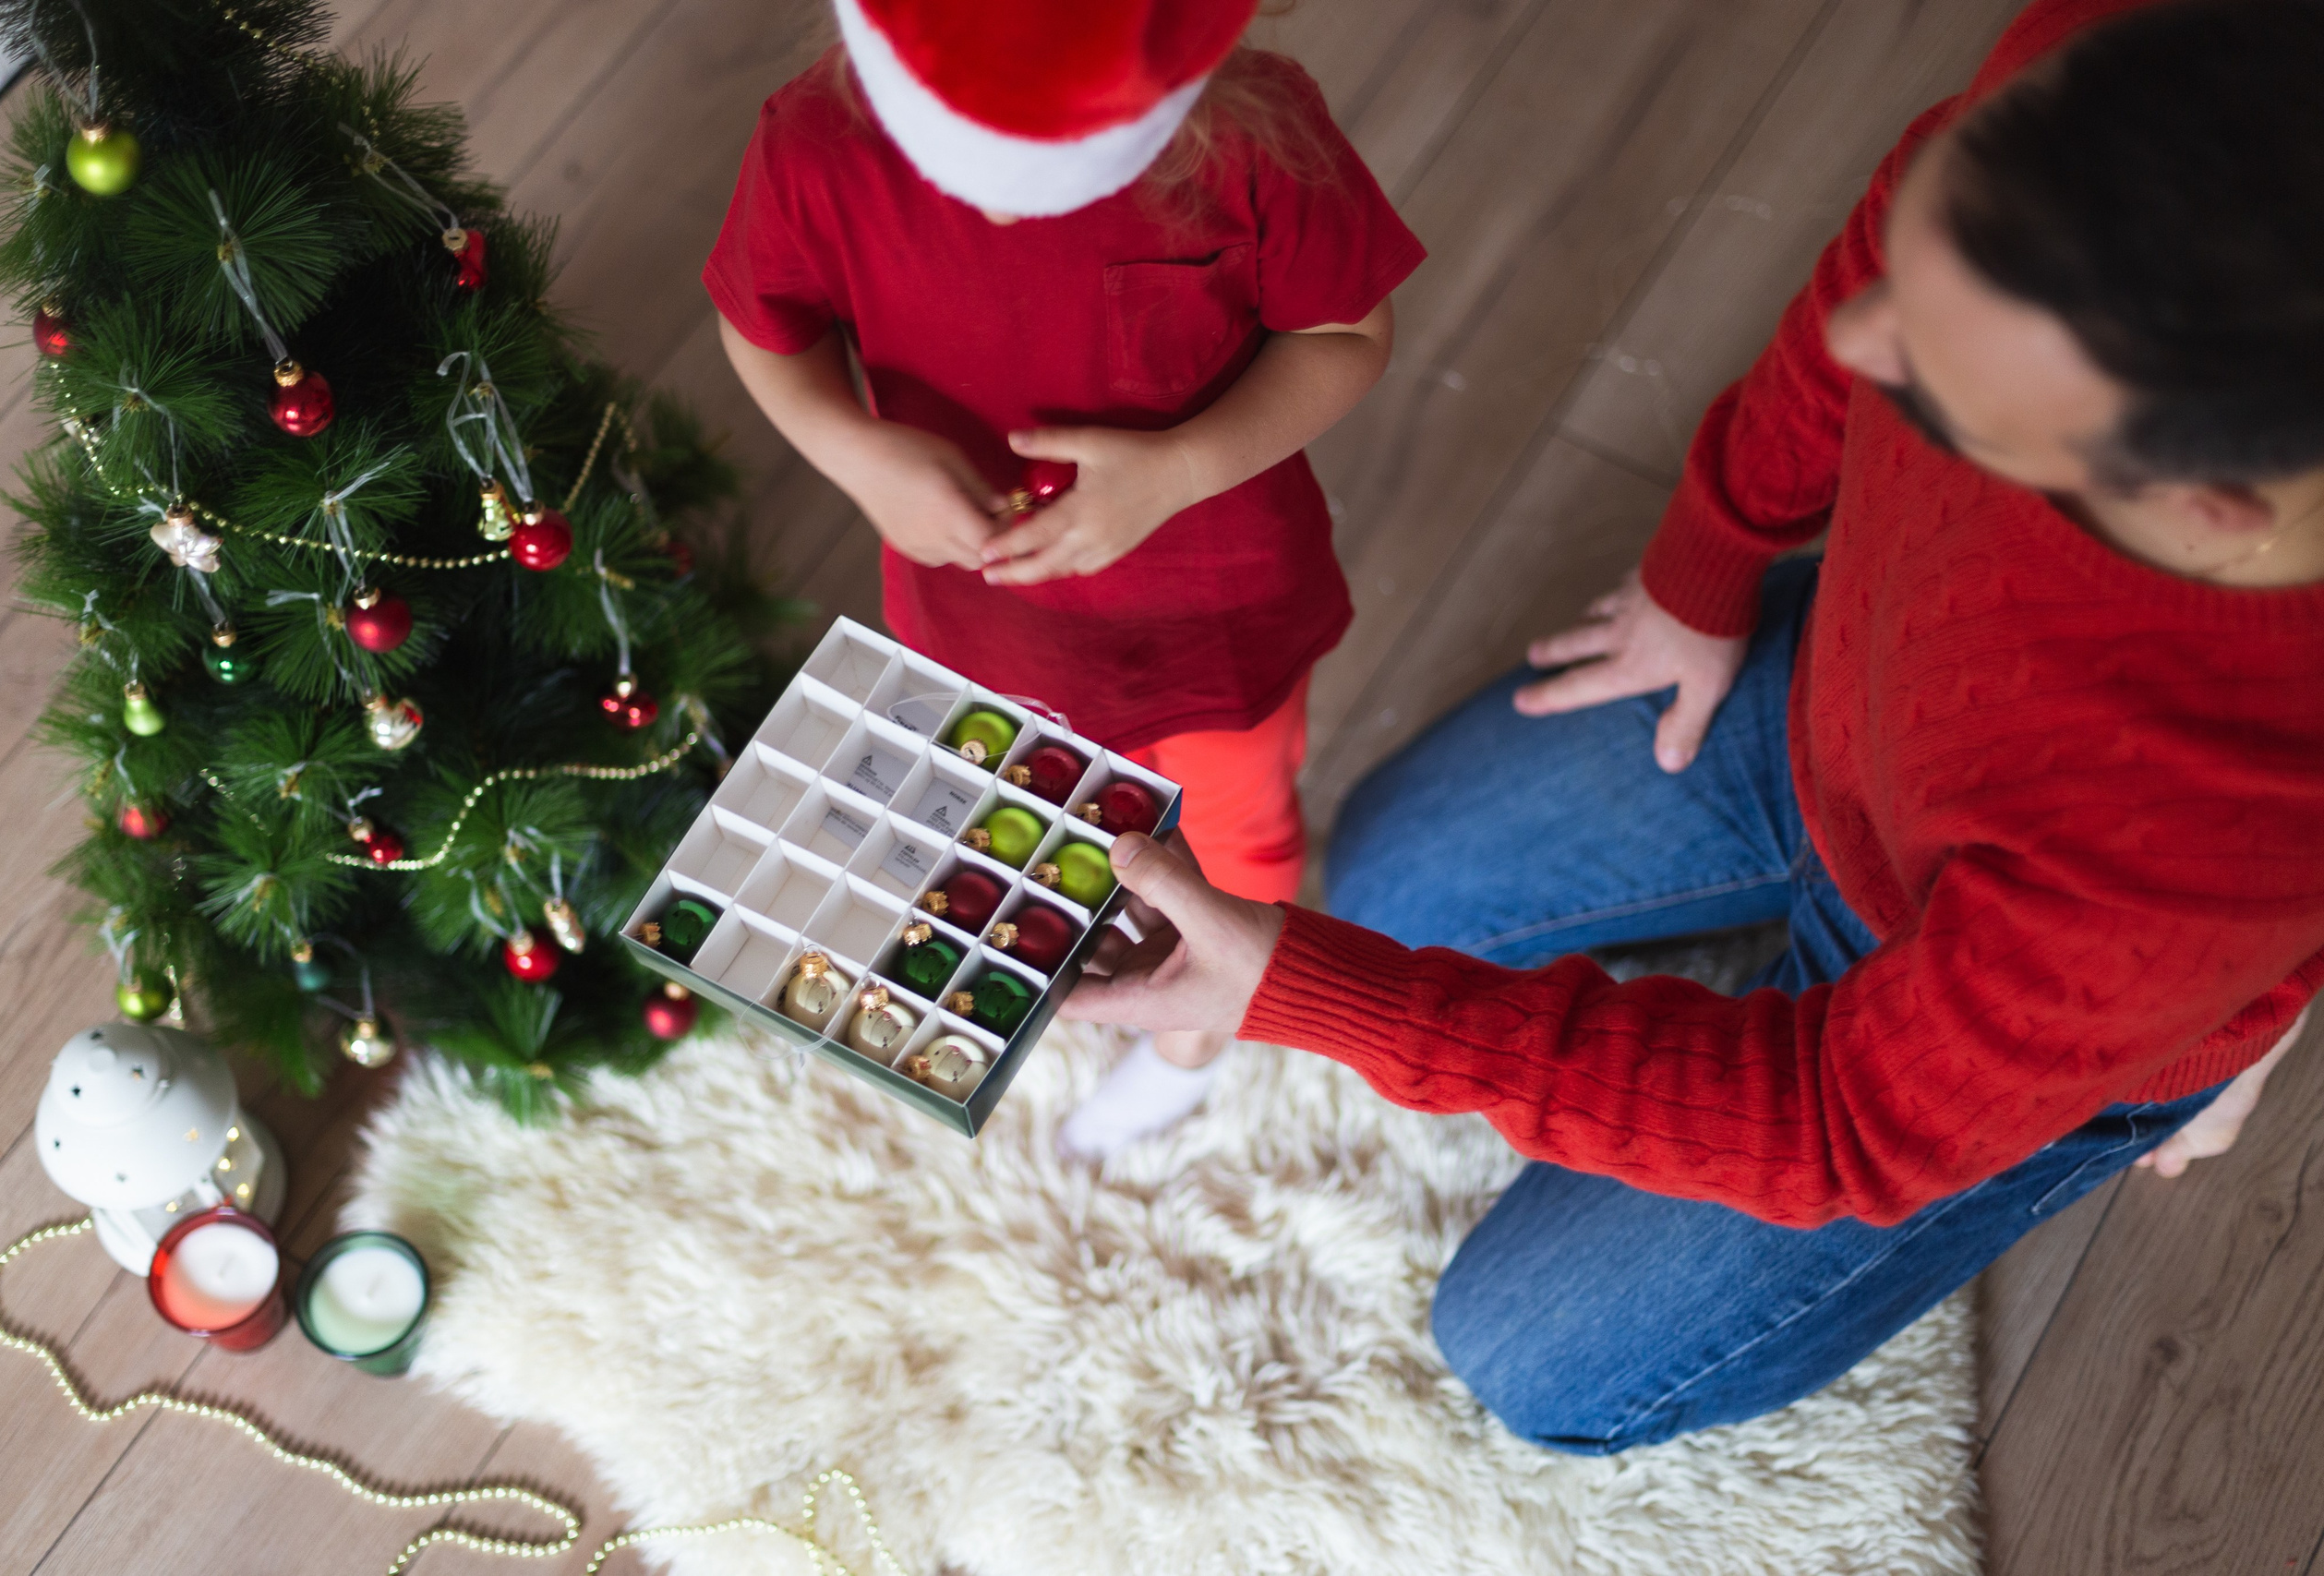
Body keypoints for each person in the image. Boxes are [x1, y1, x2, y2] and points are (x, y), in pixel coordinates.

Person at [1066, 0, 2324, 1450]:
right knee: (1403, 877)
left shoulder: (2208, 839)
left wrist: (1298, 990)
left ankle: (2194, 1054)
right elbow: (1878, 267)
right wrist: (1709, 562)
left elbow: (1831, 1123)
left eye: (1938, 383)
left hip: (2027, 966)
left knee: (1528, 1357)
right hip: (1839, 709)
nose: (1860, 331)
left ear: (2200, 511)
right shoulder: (2120, 80)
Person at [704, 0, 1423, 1159]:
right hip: (974, 619)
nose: (1000, 200)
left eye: (1053, 167)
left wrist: (1179, 467)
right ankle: (1047, 942)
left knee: (1238, 838)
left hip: (1217, 620)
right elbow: (765, 328)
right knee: (1008, 807)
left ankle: (1195, 1032)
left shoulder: (1253, 135)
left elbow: (1347, 333)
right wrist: (852, 452)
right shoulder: (814, 141)